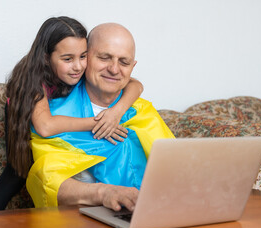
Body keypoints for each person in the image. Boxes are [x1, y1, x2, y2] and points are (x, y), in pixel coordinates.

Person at [0, 17, 143, 212]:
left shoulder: (77, 72)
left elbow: (136, 84)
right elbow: (45, 126)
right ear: (47, 57)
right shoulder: (34, 79)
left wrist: (116, 112)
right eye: (68, 59)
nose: (78, 66)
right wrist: (99, 122)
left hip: (53, 117)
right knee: (16, 174)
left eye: (83, 56)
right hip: (25, 114)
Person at [26, 23, 175, 212]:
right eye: (105, 58)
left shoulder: (142, 111)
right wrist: (104, 193)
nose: (114, 69)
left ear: (132, 67)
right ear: (86, 57)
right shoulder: (56, 114)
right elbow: (47, 178)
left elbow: (178, 169)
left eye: (124, 62)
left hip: (153, 214)